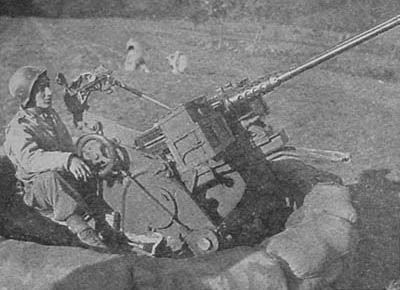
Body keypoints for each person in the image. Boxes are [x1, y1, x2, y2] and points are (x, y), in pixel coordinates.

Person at [3, 66, 116, 249]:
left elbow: (66, 146)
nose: (48, 93)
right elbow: (32, 160)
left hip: (63, 178)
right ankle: (85, 234)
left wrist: (86, 154)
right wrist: (68, 160)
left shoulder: (49, 116)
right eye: (41, 89)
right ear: (27, 96)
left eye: (47, 86)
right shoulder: (19, 128)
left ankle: (108, 222)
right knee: (50, 178)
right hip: (37, 190)